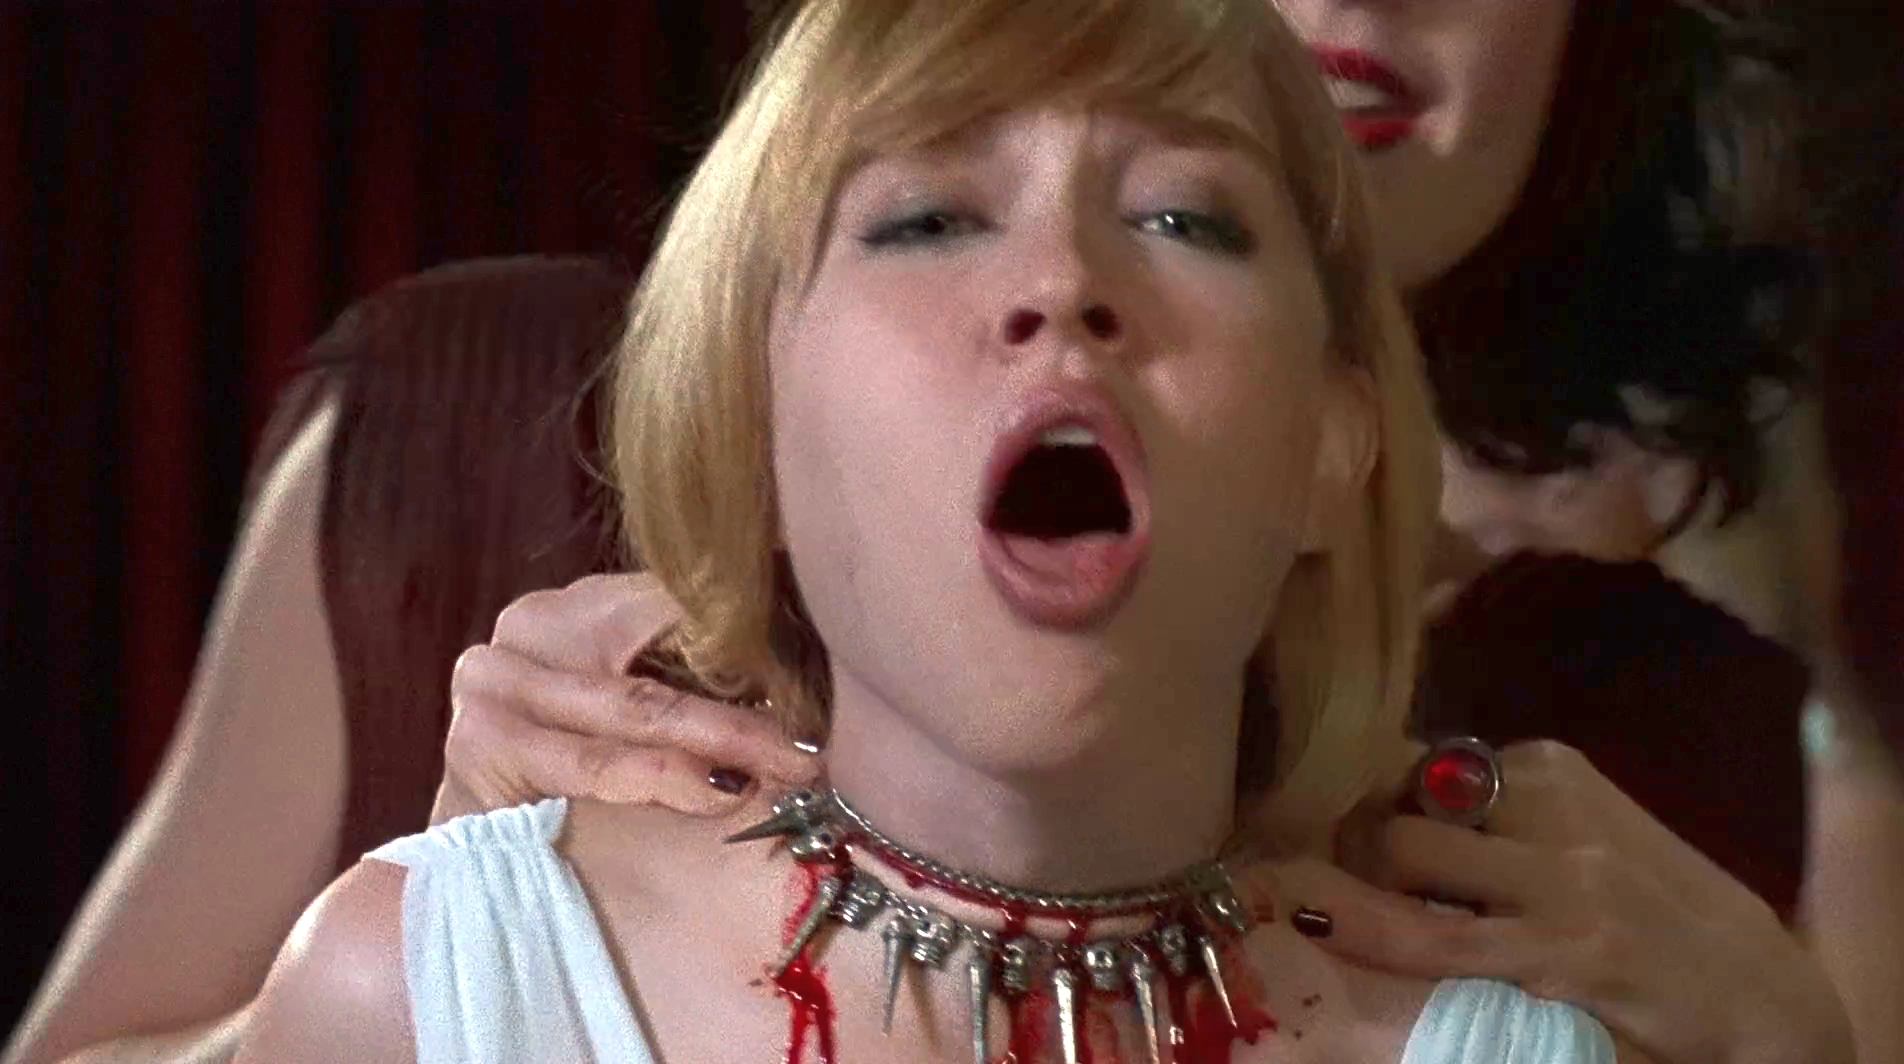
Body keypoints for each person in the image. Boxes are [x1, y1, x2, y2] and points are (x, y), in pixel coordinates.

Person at [3, 1, 1875, 1063]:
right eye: (929, 216)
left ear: (1339, 442)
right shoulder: (454, 438)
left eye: (1193, 216)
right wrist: (452, 981)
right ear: (746, 402)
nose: (1059, 287)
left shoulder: (1700, 732)